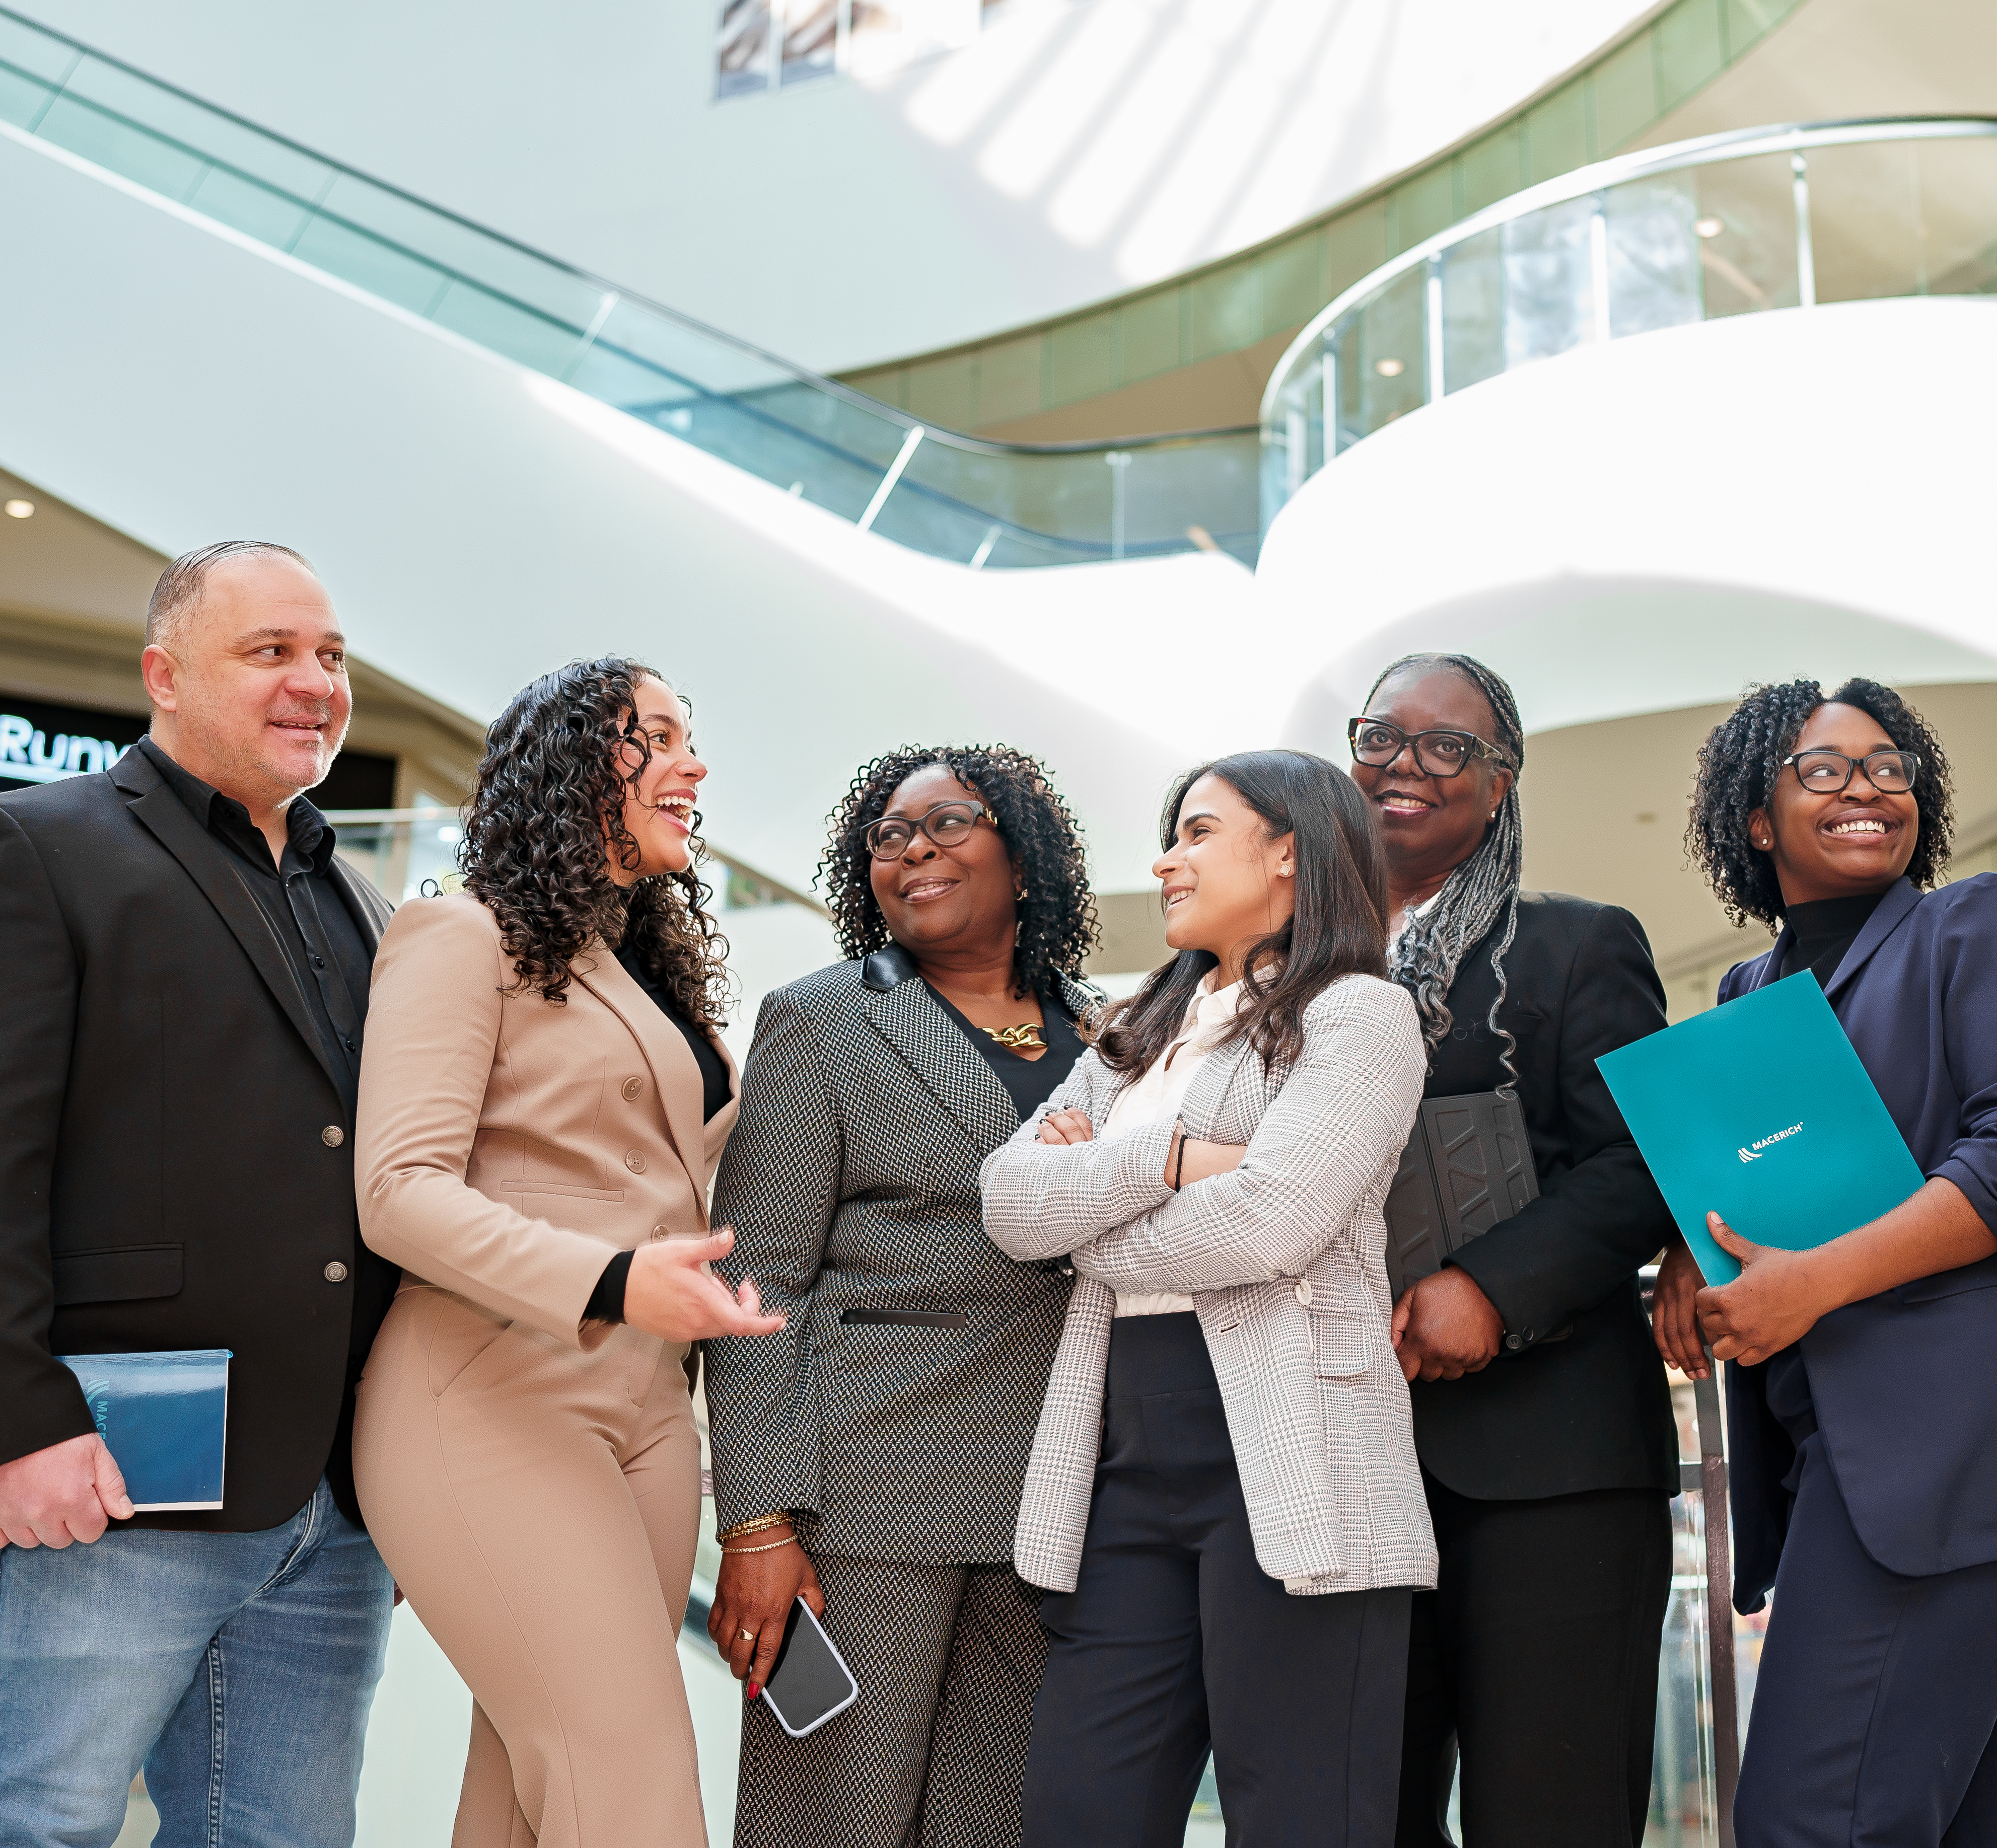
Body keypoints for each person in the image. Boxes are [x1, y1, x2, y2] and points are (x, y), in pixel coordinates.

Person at [0, 540, 398, 1847]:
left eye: (330, 654)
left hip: (333, 1506)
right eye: (271, 650)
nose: (314, 681)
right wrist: (6, 1423)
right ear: (163, 675)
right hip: (102, 1480)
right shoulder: (23, 843)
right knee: (27, 1827)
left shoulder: (363, 901)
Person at [1650, 676, 1997, 1848]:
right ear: (1756, 817)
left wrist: (1809, 1282)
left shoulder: (1975, 920)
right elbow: (1761, 1181)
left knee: (1808, 1821)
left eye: (1889, 765)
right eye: (1822, 769)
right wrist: (1692, 1236)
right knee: (1956, 1822)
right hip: (1843, 1453)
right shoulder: (1747, 993)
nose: (1867, 786)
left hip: (1958, 1446)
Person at [353, 656, 784, 1848]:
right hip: (488, 1397)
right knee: (629, 1785)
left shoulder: (645, 973)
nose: (693, 764)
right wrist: (610, 1279)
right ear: (574, 766)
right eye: (658, 736)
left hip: (648, 1418)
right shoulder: (458, 934)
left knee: (527, 1797)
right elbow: (397, 1190)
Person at [980, 750, 1435, 1847]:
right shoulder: (1138, 1022)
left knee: (1298, 1823)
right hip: (1123, 1463)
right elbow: (1007, 1203)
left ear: (1287, 851)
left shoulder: (1359, 1014)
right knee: (1077, 1816)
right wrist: (1176, 1153)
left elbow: (1270, 1219)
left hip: (1293, 1461)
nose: (1165, 859)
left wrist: (1089, 1220)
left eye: (1195, 832)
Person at [703, 744, 1100, 1848]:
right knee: (829, 1824)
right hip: (865, 1499)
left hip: (1052, 1499)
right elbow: (757, 1279)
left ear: (1023, 856)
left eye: (947, 823)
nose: (913, 849)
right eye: (887, 834)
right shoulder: (820, 1019)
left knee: (994, 1826)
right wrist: (755, 1518)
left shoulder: (1120, 1031)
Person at [1349, 654, 1677, 1848]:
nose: (1405, 764)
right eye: (1381, 736)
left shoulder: (1578, 945)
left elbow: (1641, 1162)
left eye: (1448, 746)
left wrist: (1490, 1287)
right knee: (1350, 1817)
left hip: (1553, 1470)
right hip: (1339, 1467)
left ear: (1500, 785)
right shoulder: (1281, 969)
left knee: (1551, 1818)